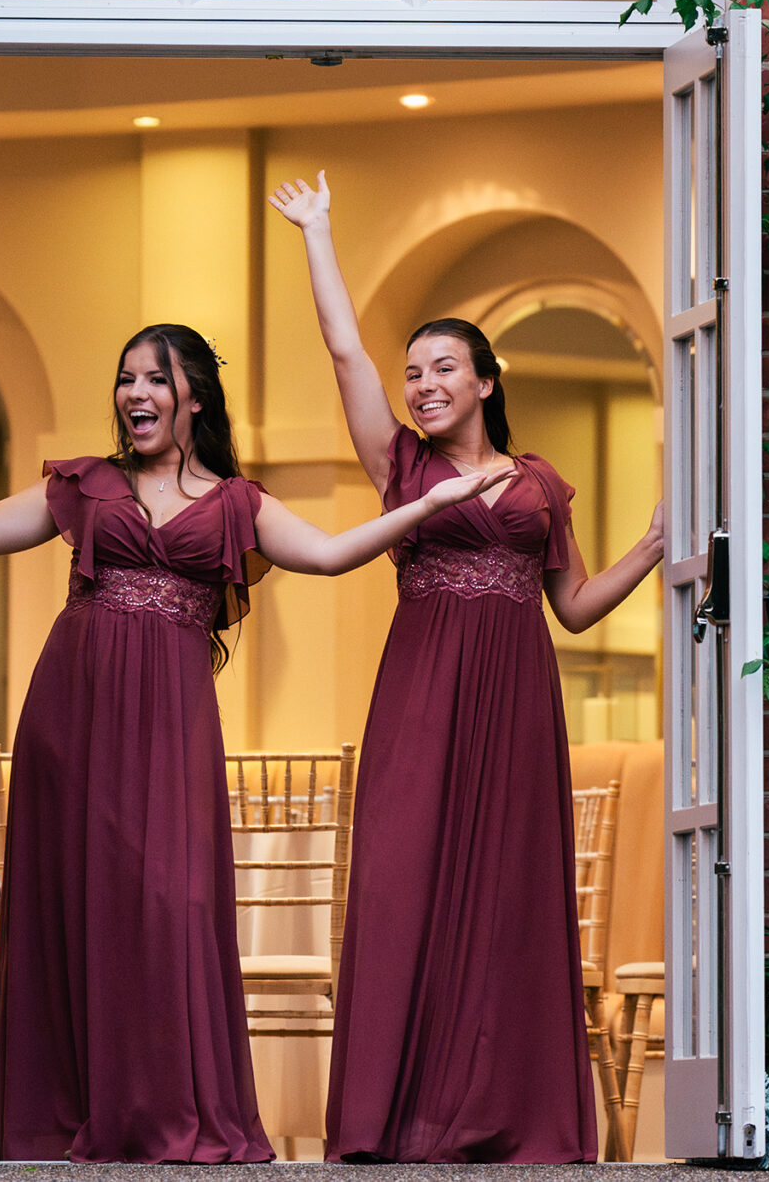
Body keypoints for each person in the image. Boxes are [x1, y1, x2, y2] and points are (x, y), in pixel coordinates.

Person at [0, 322, 512, 1164]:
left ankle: (172, 1114)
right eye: (125, 378)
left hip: (171, 725)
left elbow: (324, 555)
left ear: (193, 398)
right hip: (71, 717)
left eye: (154, 380)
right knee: (75, 906)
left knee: (173, 903)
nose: (135, 393)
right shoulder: (86, 483)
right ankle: (60, 1117)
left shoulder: (236, 503)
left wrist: (421, 507)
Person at [268, 172, 666, 1164]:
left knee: (506, 901)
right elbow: (340, 350)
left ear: (486, 380)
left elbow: (570, 607)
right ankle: (389, 1120)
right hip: (420, 695)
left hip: (516, 704)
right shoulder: (397, 467)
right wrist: (318, 232)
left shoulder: (539, 485)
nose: (422, 384)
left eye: (443, 368)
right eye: (415, 373)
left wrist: (653, 548)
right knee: (403, 885)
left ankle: (502, 1114)